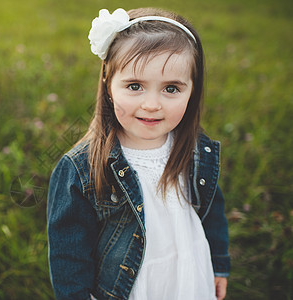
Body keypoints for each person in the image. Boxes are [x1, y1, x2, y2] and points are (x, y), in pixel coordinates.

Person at [47, 7, 230, 300]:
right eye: (135, 86)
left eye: (171, 88)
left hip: (187, 275)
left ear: (192, 91)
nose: (152, 104)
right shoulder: (82, 167)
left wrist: (219, 265)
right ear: (108, 85)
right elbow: (68, 253)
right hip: (129, 287)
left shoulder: (195, 149)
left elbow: (212, 212)